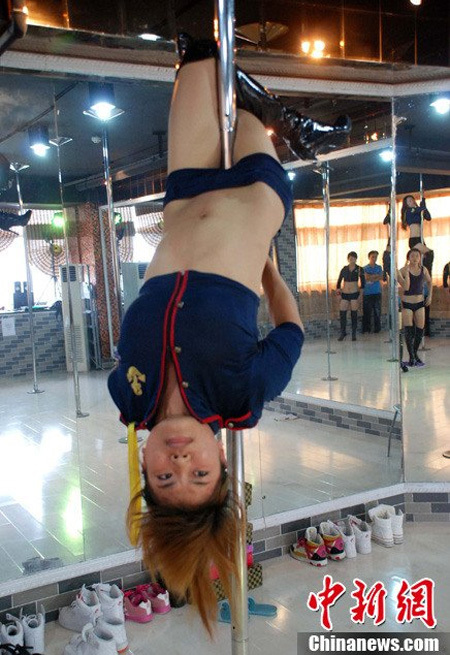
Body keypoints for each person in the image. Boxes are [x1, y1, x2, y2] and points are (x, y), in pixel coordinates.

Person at [108, 33, 351, 633]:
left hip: (184, 193)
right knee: (239, 107)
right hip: (253, 197)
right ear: (222, 461)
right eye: (199, 475)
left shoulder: (128, 396)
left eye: (165, 477)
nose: (180, 460)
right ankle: (282, 123)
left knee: (198, 53)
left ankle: (289, 121)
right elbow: (292, 331)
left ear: (146, 468)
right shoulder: (241, 397)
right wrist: (269, 271)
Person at [397, 248, 432, 367]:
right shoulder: (403, 270)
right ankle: (412, 357)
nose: (415, 258)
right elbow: (403, 286)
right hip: (407, 303)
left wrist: (430, 296)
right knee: (409, 330)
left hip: (419, 302)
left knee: (420, 329)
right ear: (408, 258)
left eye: (417, 256)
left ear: (420, 257)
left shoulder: (423, 269)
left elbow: (429, 282)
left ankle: (414, 353)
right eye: (412, 256)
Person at [336, 251, 365, 341]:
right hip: (345, 293)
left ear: (356, 259)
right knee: (342, 313)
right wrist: (338, 294)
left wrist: (361, 295)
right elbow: (339, 281)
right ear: (348, 259)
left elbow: (363, 283)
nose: (352, 260)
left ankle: (353, 333)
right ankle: (343, 332)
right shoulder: (344, 269)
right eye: (350, 258)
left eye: (353, 258)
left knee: (354, 313)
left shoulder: (359, 269)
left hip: (354, 293)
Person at [362, 250, 383, 333]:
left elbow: (381, 277)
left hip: (377, 292)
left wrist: (371, 277)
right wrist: (375, 276)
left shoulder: (379, 267)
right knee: (367, 312)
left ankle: (377, 329)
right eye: (373, 257)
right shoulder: (364, 268)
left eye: (376, 257)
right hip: (367, 293)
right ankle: (367, 329)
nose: (374, 258)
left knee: (377, 312)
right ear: (369, 257)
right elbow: (366, 278)